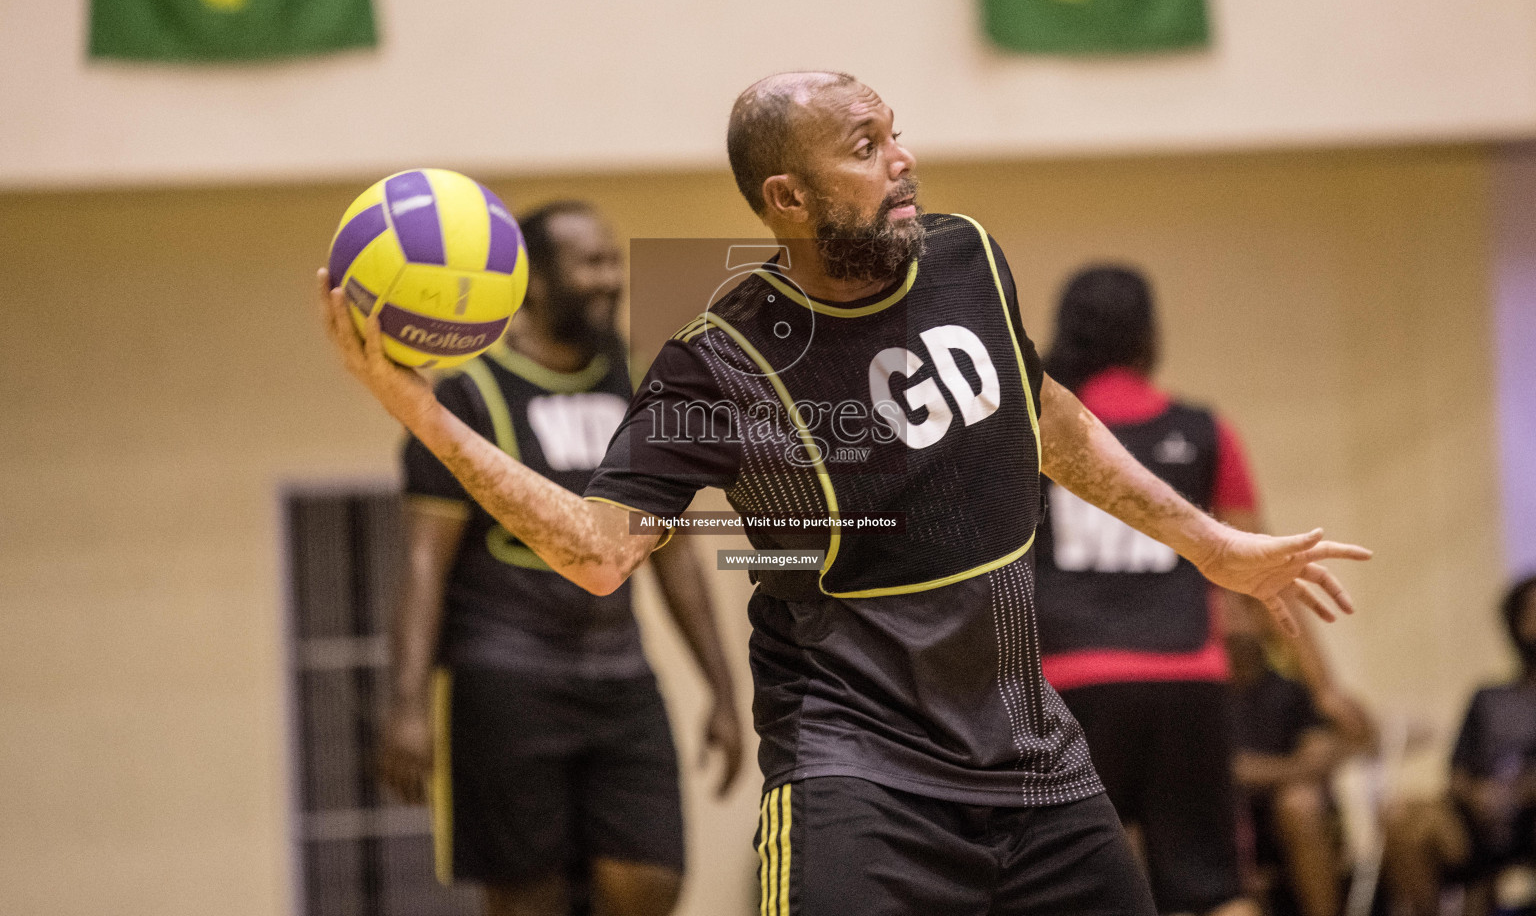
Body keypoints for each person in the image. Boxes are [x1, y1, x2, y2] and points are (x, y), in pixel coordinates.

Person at [322, 71, 1370, 916]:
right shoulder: (716, 359)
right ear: (789, 198)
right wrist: (418, 409)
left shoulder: (969, 259)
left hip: (1035, 763)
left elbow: (1050, 421)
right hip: (857, 774)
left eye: (895, 133)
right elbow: (596, 549)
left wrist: (1209, 545)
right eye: (865, 146)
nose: (902, 158)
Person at [376, 201, 743, 916]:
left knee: (651, 882)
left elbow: (676, 556)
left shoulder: (643, 384)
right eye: (591, 263)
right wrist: (408, 701)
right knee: (528, 900)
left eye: (613, 260)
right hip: (506, 677)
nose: (611, 277)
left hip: (620, 673)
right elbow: (425, 565)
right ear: (536, 282)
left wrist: (723, 691)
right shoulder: (467, 397)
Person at [1033, 266, 1373, 916]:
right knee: (1214, 886)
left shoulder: (1041, 431)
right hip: (1184, 676)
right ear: (1148, 335)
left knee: (1076, 890)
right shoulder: (1204, 431)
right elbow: (1264, 570)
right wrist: (1325, 688)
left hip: (1071, 682)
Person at [1384, 573, 1536, 916]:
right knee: (1400, 817)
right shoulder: (1488, 697)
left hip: (1528, 816)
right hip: (1478, 816)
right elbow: (1456, 771)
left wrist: (1518, 793)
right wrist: (1479, 795)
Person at [1226, 593, 1360, 916]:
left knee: (1299, 804)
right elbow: (1227, 770)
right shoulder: (1203, 700)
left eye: (1248, 606)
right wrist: (1296, 769)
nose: (1238, 616)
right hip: (1229, 818)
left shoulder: (1291, 690)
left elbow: (1325, 751)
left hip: (1288, 823)